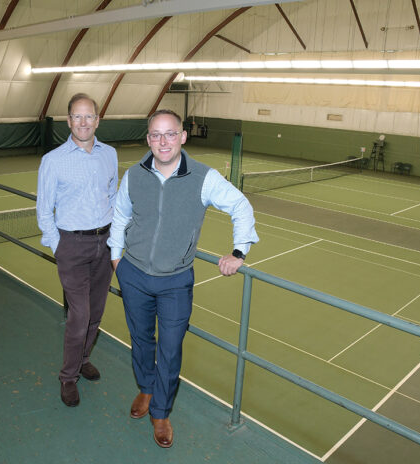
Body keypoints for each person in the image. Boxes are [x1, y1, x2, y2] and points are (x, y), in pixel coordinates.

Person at [107, 109, 259, 448]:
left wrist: (238, 252)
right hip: (132, 273)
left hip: (175, 281)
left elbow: (240, 206)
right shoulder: (133, 174)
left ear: (183, 137)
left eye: (170, 134)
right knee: (141, 339)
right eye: (156, 135)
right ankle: (145, 390)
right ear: (148, 139)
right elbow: (119, 216)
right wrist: (116, 258)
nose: (163, 141)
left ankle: (160, 412)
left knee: (171, 348)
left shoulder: (204, 177)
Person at [36, 93, 118, 407]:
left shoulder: (109, 154)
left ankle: (84, 359)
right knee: (79, 316)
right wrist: (61, 248)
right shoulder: (53, 161)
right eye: (77, 117)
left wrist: (113, 240)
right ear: (69, 121)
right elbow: (44, 211)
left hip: (104, 243)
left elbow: (112, 196)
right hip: (72, 245)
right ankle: (68, 377)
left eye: (89, 116)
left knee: (95, 313)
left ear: (98, 120)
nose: (83, 122)